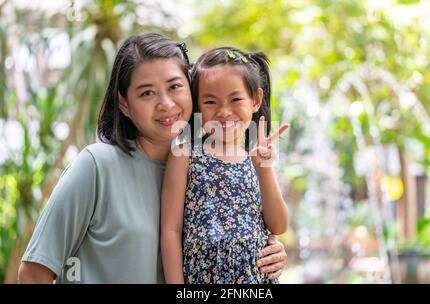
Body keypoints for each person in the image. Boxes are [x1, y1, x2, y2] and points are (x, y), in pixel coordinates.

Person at [17, 33, 287, 283]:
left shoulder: (209, 169)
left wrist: (269, 251)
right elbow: (33, 272)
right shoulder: (96, 166)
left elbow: (244, 230)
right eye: (147, 93)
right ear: (124, 103)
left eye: (175, 87)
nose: (166, 104)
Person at [161, 47, 289, 284]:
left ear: (255, 100)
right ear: (197, 106)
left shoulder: (257, 157)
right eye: (210, 101)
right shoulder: (185, 154)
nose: (223, 112)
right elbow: (171, 231)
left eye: (235, 99)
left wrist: (265, 169)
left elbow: (279, 225)